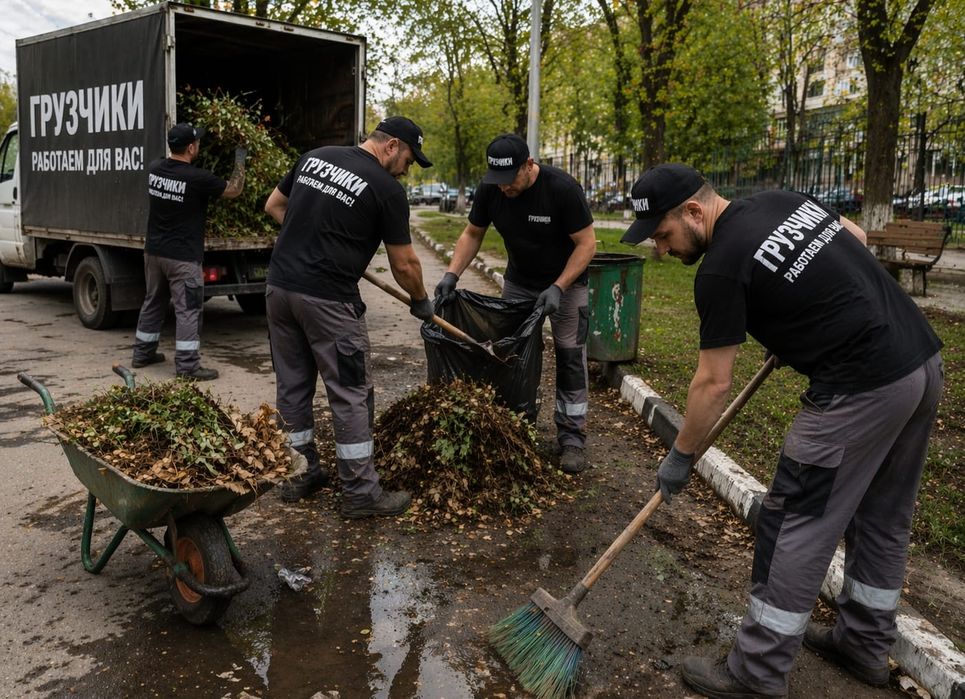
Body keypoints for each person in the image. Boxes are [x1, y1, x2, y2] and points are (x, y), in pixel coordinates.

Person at [621, 164, 943, 698]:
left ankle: (758, 670)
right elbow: (855, 238)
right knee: (883, 515)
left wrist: (681, 454)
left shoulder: (720, 269)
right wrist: (806, 313)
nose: (661, 248)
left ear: (694, 211)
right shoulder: (779, 201)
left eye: (662, 234)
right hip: (920, 363)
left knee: (793, 523)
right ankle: (864, 644)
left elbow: (713, 383)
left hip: (861, 387)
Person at [263, 116, 435, 518]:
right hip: (329, 302)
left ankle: (298, 474)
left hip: (280, 291)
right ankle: (361, 493)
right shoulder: (387, 190)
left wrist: (313, 238)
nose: (406, 170)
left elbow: (274, 205)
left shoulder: (314, 157)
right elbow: (405, 264)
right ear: (391, 146)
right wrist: (421, 299)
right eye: (408, 160)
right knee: (350, 392)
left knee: (292, 386)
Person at [434, 134, 597, 473]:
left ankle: (572, 438)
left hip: (567, 284)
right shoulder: (491, 189)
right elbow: (473, 233)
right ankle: (516, 426)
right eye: (498, 179)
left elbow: (587, 244)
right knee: (513, 354)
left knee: (570, 356)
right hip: (520, 283)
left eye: (509, 179)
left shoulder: (562, 189)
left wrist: (559, 287)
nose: (504, 186)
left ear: (529, 165)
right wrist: (452, 274)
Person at [132, 122, 246, 381]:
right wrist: (240, 159)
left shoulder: (154, 168)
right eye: (198, 142)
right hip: (182, 257)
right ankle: (187, 366)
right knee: (188, 309)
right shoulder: (197, 179)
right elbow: (234, 190)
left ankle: (142, 353)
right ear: (191, 148)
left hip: (154, 253)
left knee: (153, 301)